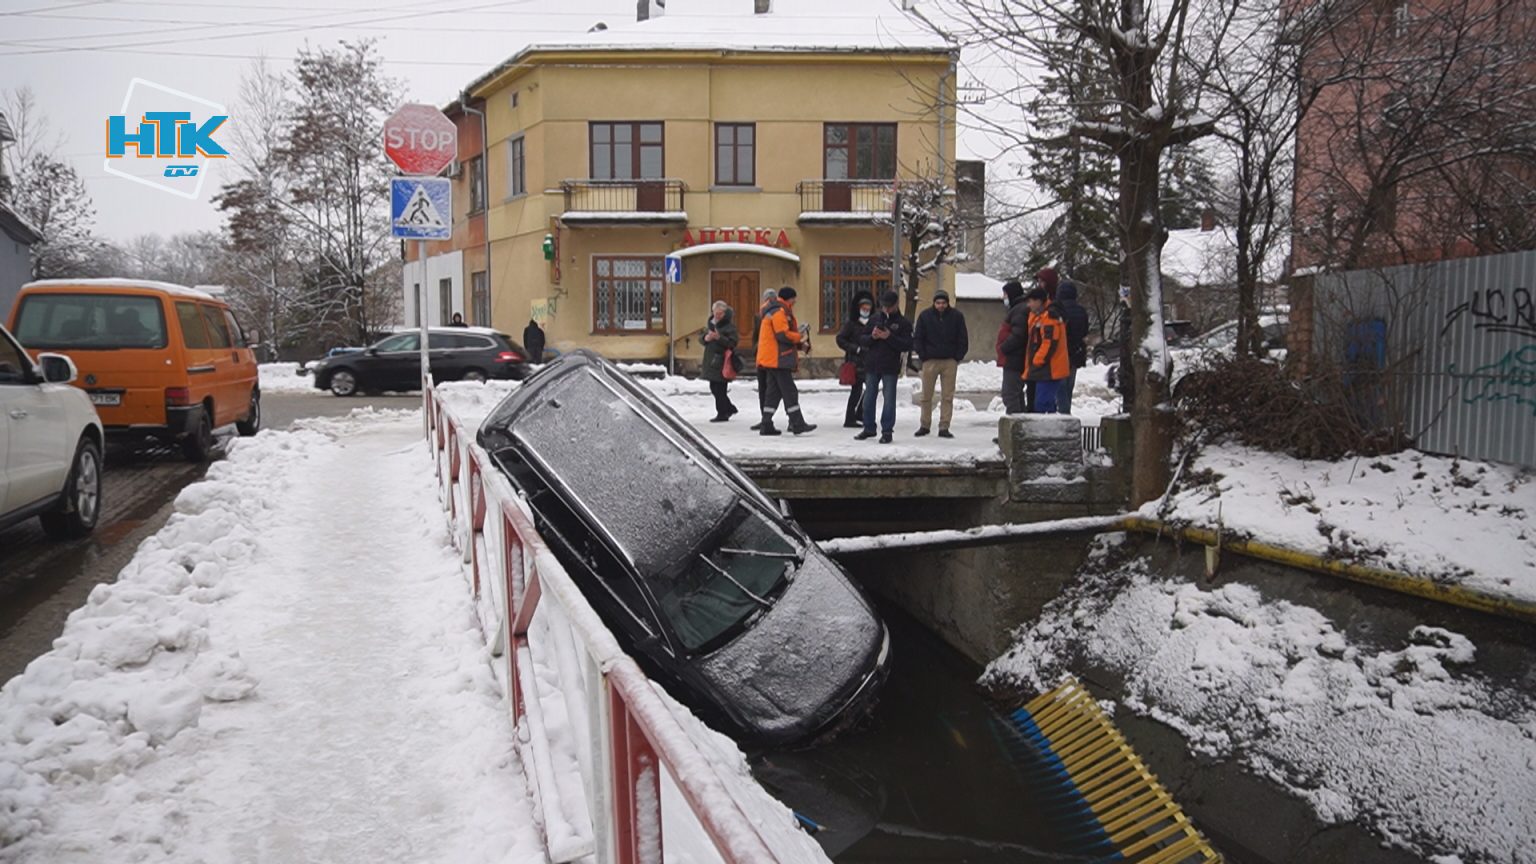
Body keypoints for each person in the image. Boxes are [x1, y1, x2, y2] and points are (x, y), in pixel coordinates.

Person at [756, 286, 815, 436]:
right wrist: (799, 335)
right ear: (789, 298)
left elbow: (778, 337)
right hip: (778, 359)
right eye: (794, 298)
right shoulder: (779, 311)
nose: (795, 301)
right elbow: (782, 335)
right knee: (789, 391)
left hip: (772, 358)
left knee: (773, 393)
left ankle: (766, 424)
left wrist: (800, 345)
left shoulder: (774, 310)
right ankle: (797, 424)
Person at [857, 290, 914, 444]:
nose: (886, 309)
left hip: (890, 366)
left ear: (896, 305)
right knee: (868, 398)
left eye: (889, 306)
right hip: (872, 364)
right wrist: (872, 337)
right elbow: (862, 339)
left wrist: (889, 337)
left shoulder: (903, 323)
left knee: (889, 400)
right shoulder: (874, 319)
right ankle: (868, 427)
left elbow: (907, 344)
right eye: (884, 306)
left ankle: (887, 431)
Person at [912, 288, 967, 438]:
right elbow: (918, 338)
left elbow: (962, 338)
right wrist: (923, 355)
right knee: (926, 396)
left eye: (943, 303)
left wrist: (957, 357)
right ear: (934, 303)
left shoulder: (957, 317)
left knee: (947, 396)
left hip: (949, 361)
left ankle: (944, 426)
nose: (941, 305)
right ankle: (924, 425)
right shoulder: (925, 316)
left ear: (948, 303)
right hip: (930, 360)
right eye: (938, 303)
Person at [1023, 286, 1071, 413]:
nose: (1028, 305)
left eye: (1030, 301)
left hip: (1049, 368)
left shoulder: (1049, 317)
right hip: (1046, 368)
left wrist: (1037, 360)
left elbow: (1049, 343)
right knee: (1044, 402)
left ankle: (1048, 425)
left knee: (1042, 404)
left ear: (1039, 301)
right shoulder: (1040, 316)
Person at [835, 291, 874, 428]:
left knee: (871, 388)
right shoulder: (851, 324)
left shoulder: (872, 323)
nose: (866, 310)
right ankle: (850, 418)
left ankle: (860, 413)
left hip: (869, 360)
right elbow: (840, 339)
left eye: (868, 308)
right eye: (863, 308)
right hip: (855, 362)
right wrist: (855, 348)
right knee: (856, 390)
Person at [1055, 278, 1090, 415]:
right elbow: (1085, 331)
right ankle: (1066, 410)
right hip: (1076, 351)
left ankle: (1063, 413)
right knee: (1069, 385)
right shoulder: (1081, 311)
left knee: (1061, 386)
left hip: (1061, 352)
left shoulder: (1058, 311)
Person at [701, 300, 739, 422]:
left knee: (720, 389)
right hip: (711, 360)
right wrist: (705, 338)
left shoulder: (729, 326)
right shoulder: (711, 323)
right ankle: (729, 408)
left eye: (720, 313)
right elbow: (701, 337)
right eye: (715, 313)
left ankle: (722, 413)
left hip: (722, 361)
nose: (717, 316)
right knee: (714, 388)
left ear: (724, 313)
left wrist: (719, 337)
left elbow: (732, 343)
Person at [995, 280, 1030, 413]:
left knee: (1010, 394)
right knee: (1016, 393)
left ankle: (1015, 422)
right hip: (1015, 358)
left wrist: (1004, 347)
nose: (1004, 298)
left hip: (1015, 359)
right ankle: (1019, 419)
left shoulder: (1019, 310)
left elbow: (1019, 335)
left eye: (1005, 295)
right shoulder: (1018, 309)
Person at [749, 288, 779, 431]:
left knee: (776, 388)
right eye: (768, 299)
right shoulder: (759, 316)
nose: (769, 301)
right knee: (763, 388)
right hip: (761, 356)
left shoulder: (778, 313)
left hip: (773, 356)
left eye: (772, 299)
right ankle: (765, 418)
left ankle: (769, 418)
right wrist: (756, 349)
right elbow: (755, 336)